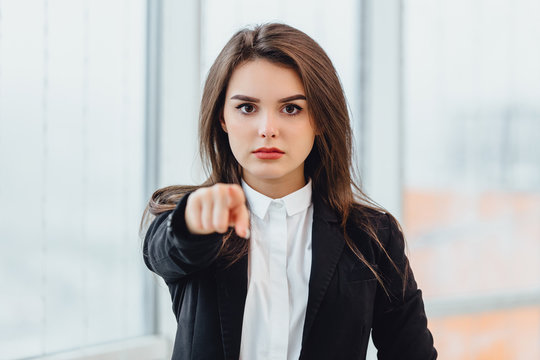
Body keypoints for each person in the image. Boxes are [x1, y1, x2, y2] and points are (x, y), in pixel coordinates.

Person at [141, 22, 437, 360]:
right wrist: (191, 221)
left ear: (320, 119)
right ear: (222, 117)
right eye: (247, 108)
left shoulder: (373, 236)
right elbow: (165, 249)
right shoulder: (194, 221)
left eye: (292, 108)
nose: (268, 129)